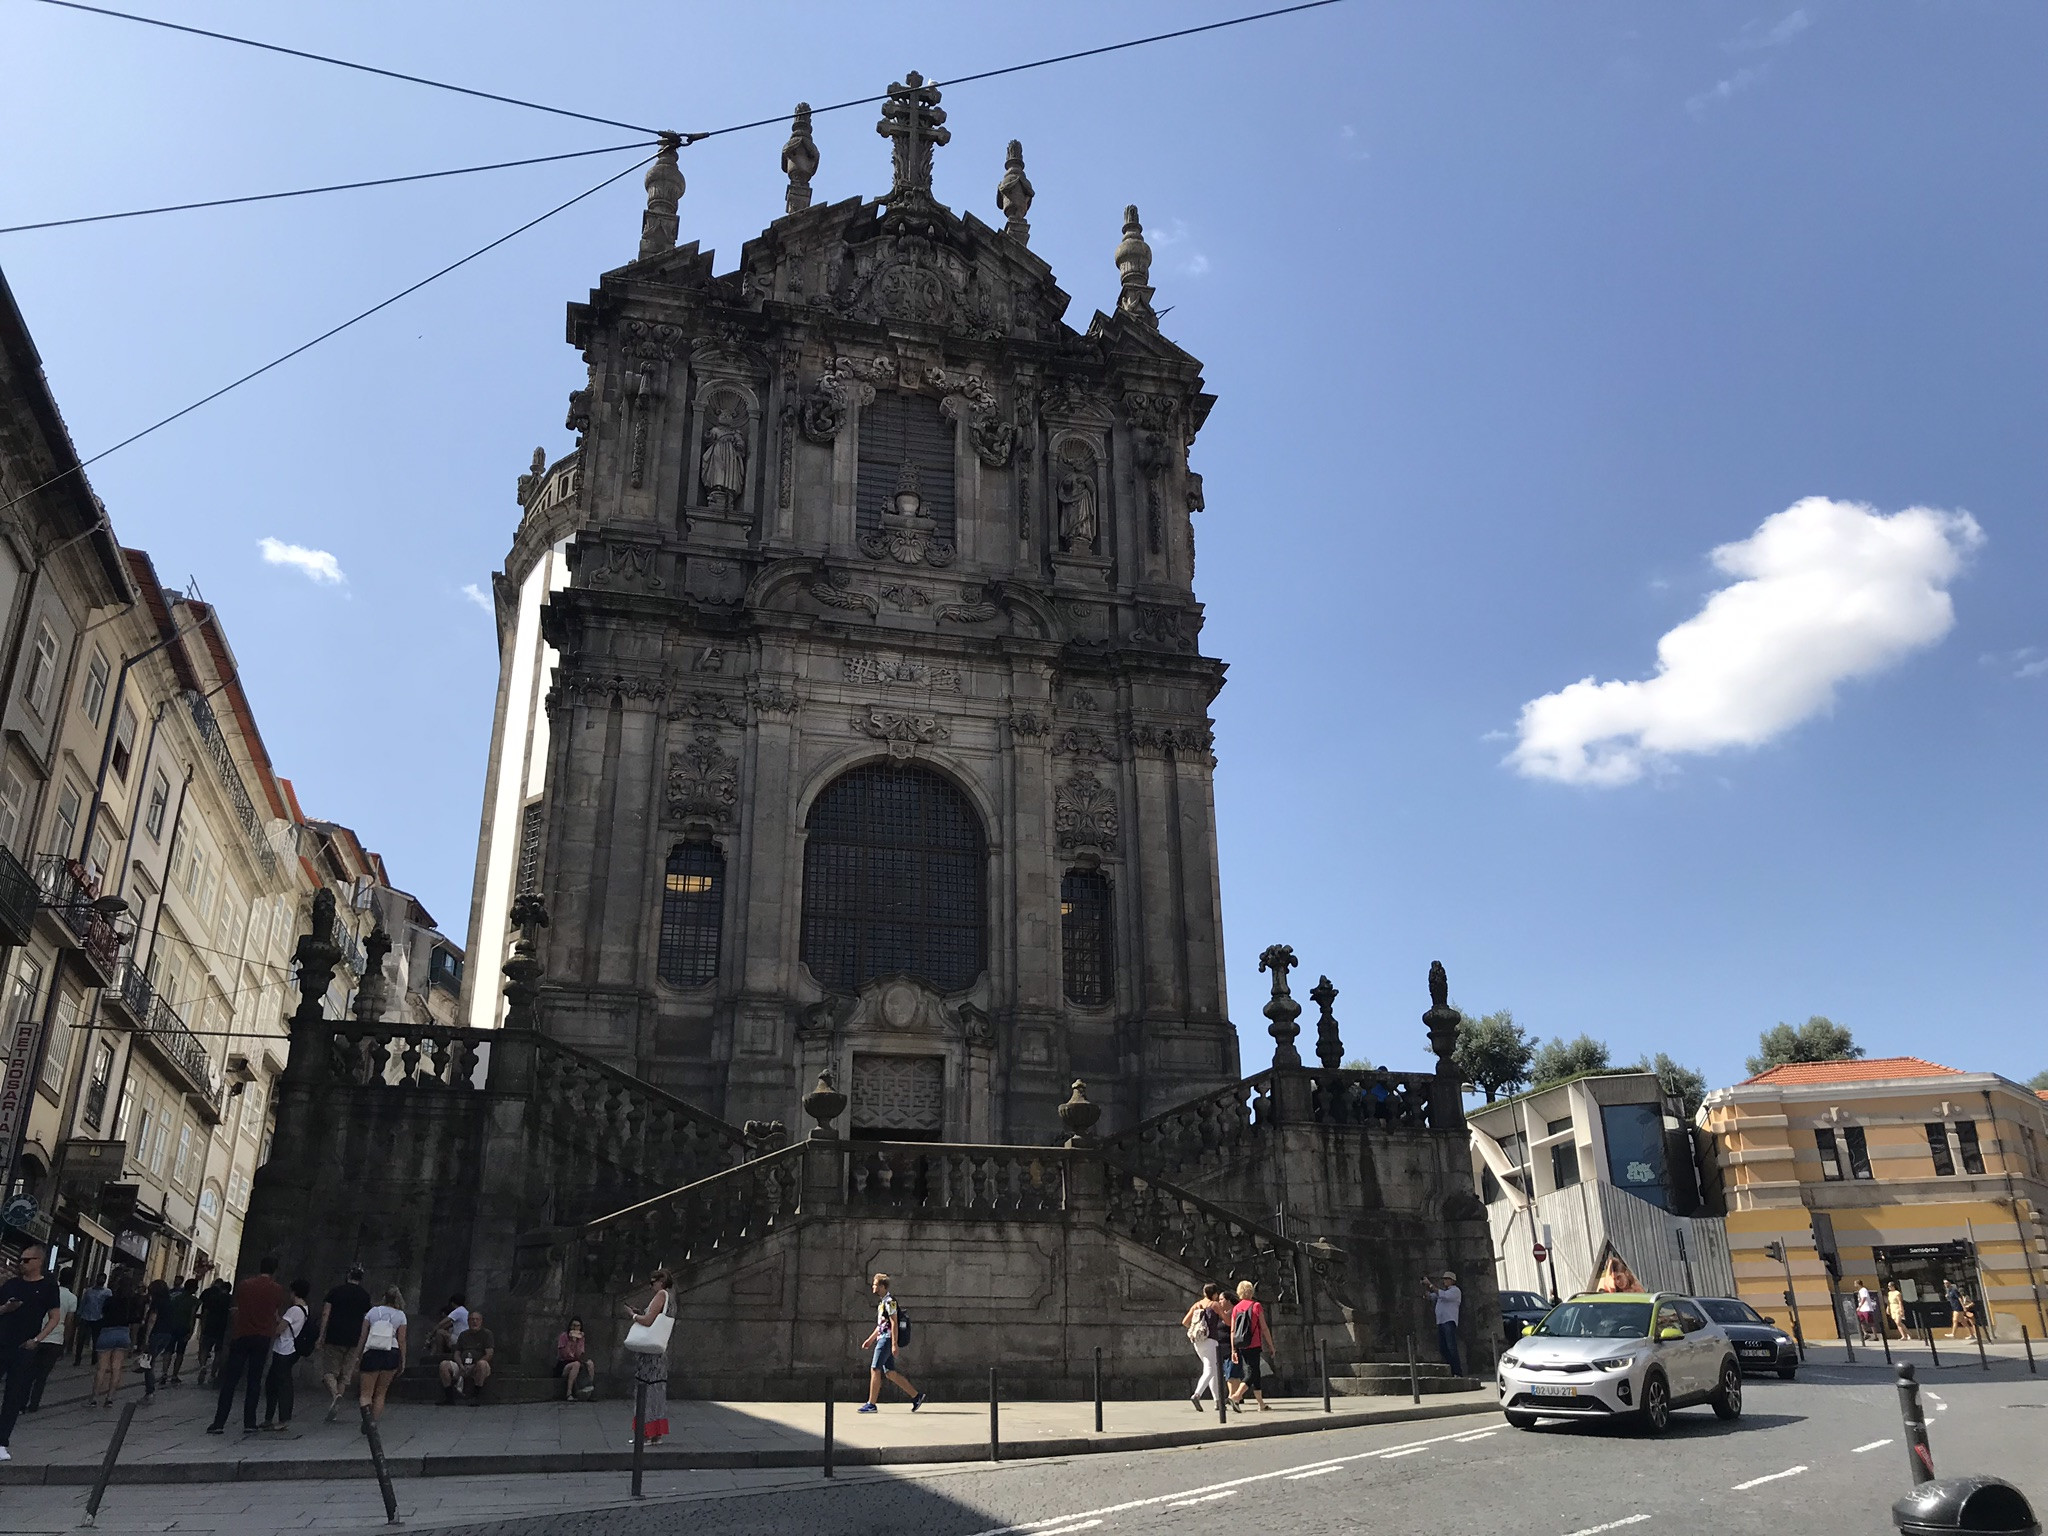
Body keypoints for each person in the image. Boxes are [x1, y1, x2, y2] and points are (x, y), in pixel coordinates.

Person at [207, 1255, 288, 1436]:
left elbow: (239, 1308)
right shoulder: (277, 1289)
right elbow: (274, 1311)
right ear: (275, 1271)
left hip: (242, 1334)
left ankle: (219, 1422)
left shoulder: (245, 1285)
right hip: (262, 1337)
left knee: (230, 1381)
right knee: (254, 1380)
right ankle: (249, 1422)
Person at [0, 1245, 63, 1462]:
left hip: (23, 1346)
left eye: (26, 1260)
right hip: (2, 1341)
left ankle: (2, 1441)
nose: (21, 1263)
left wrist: (37, 1339)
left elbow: (55, 1316)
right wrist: (5, 1309)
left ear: (39, 1262)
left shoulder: (47, 1287)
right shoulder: (11, 1285)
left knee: (14, 1395)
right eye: (20, 1259)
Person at [857, 1271, 924, 1415]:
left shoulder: (889, 1301)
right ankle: (916, 1396)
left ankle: (871, 1403)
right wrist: (870, 1340)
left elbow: (894, 1322)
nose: (873, 1287)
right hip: (883, 1337)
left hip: (886, 1339)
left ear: (882, 1286)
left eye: (875, 1285)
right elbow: (881, 1325)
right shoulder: (883, 1303)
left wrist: (894, 1344)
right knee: (890, 1373)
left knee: (875, 1368)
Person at [317, 1265, 372, 1423]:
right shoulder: (364, 1296)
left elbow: (326, 1312)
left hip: (335, 1336)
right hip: (354, 1339)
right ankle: (336, 1407)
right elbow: (366, 1320)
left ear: (348, 1276)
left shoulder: (335, 1291)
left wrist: (321, 1335)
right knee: (345, 1375)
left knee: (329, 1372)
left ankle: (336, 1396)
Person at [628, 1270, 676, 1439]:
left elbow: (648, 1321)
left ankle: (644, 1433)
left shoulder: (661, 1295)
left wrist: (633, 1315)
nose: (651, 1286)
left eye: (652, 1282)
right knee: (657, 1391)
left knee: (645, 1390)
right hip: (660, 1351)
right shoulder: (671, 1298)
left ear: (661, 1281)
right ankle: (656, 1433)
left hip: (650, 1354)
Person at [261, 1279, 311, 1431]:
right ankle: (272, 1418)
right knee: (276, 1383)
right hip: (290, 1349)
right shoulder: (304, 1309)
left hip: (284, 1349)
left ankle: (280, 1418)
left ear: (294, 1292)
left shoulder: (294, 1310)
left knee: (279, 1384)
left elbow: (279, 1329)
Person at [24, 1266, 75, 1412]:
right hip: (55, 1340)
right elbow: (69, 1322)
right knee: (42, 1376)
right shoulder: (72, 1298)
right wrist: (66, 1342)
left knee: (29, 1373)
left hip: (38, 1337)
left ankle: (21, 1402)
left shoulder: (46, 1292)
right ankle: (34, 1404)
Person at [91, 1268, 143, 1409]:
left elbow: (102, 1314)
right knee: (116, 1368)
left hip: (107, 1332)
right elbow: (136, 1321)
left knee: (101, 1368)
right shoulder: (132, 1303)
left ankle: (94, 1398)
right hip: (123, 1334)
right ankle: (110, 1398)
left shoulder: (109, 1300)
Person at [357, 1287, 407, 1430]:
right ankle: (372, 1423)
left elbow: (363, 1336)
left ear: (384, 1297)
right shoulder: (401, 1315)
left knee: (366, 1394)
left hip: (372, 1352)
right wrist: (402, 1360)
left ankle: (366, 1418)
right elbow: (402, 1339)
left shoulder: (373, 1312)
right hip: (391, 1352)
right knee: (380, 1393)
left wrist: (358, 1355)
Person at [1181, 1283, 1228, 1410]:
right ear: (1214, 1294)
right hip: (1211, 1339)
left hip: (1198, 1340)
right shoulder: (1214, 1305)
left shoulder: (1197, 1305)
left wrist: (1198, 1328)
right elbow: (1227, 1321)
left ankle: (1218, 1401)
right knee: (1210, 1369)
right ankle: (1197, 1395)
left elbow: (1185, 1322)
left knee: (1211, 1369)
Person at [1229, 1280, 1274, 1410]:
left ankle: (1261, 1404)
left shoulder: (1236, 1308)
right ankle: (1235, 1397)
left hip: (1241, 1344)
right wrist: (1271, 1345)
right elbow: (1264, 1328)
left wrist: (1233, 1350)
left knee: (1255, 1372)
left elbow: (1232, 1330)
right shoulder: (1256, 1306)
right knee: (1251, 1373)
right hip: (1254, 1344)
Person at [441, 1307, 494, 1406]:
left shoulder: (487, 1334)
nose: (474, 1322)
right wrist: (460, 1365)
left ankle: (476, 1396)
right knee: (444, 1365)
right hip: (463, 1364)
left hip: (477, 1366)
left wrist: (474, 1365)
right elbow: (457, 1352)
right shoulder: (463, 1335)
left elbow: (489, 1354)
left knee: (482, 1364)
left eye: (477, 1319)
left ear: (481, 1321)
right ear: (468, 1321)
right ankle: (449, 1397)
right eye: (471, 1319)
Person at [139, 1278, 177, 1398]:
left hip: (156, 1333)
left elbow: (152, 1320)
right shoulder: (170, 1302)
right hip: (167, 1334)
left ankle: (150, 1390)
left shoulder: (156, 1303)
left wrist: (146, 1338)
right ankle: (150, 1388)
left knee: (148, 1362)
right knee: (152, 1360)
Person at [1423, 1270, 1463, 1379]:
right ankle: (1450, 1369)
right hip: (1441, 1322)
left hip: (1449, 1321)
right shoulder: (1444, 1292)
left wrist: (1429, 1284)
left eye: (1447, 1279)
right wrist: (1427, 1294)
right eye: (1444, 1279)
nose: (1444, 1281)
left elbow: (1442, 1295)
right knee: (1443, 1348)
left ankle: (1457, 1372)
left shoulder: (1455, 1291)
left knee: (1451, 1347)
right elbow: (1434, 1296)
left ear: (1452, 1281)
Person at [194, 1276, 233, 1385]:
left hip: (210, 1326)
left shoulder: (213, 1298)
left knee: (205, 1349)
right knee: (218, 1353)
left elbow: (206, 1312)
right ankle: (212, 1375)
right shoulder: (231, 1300)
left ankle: (203, 1366)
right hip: (222, 1328)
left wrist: (203, 1325)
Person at [166, 1277, 199, 1383]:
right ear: (193, 1288)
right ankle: (174, 1375)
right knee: (180, 1352)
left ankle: (164, 1373)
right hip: (184, 1328)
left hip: (171, 1326)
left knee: (168, 1351)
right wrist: (191, 1330)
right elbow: (192, 1316)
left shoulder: (175, 1297)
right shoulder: (194, 1301)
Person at [75, 1271, 110, 1366]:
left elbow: (108, 1306)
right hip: (86, 1317)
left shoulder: (107, 1292)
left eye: (103, 1279)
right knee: (81, 1339)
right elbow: (83, 1303)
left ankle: (94, 1359)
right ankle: (77, 1359)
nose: (101, 1280)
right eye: (100, 1278)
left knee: (96, 1340)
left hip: (98, 1318)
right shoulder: (89, 1291)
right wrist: (79, 1314)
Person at [556, 1317, 595, 1401]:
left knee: (590, 1363)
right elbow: (564, 1355)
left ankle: (589, 1391)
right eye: (573, 1325)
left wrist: (577, 1342)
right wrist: (570, 1342)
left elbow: (578, 1355)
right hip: (564, 1364)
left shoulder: (581, 1338)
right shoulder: (563, 1336)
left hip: (575, 1362)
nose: (575, 1328)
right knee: (576, 1364)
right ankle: (569, 1393)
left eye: (578, 1326)